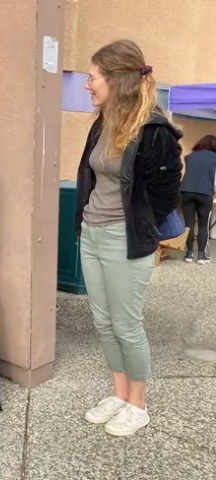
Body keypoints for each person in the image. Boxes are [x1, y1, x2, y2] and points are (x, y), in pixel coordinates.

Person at [75, 39, 182, 436]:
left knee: (126, 323)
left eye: (92, 78)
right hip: (91, 233)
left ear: (116, 80)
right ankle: (119, 395)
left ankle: (138, 405)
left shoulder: (154, 130)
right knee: (103, 322)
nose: (87, 85)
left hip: (125, 239)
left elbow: (166, 193)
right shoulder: (101, 122)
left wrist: (139, 229)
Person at [180, 135, 216, 265]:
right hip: (205, 193)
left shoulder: (189, 157)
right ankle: (201, 256)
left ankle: (189, 254)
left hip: (186, 191)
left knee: (189, 224)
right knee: (203, 225)